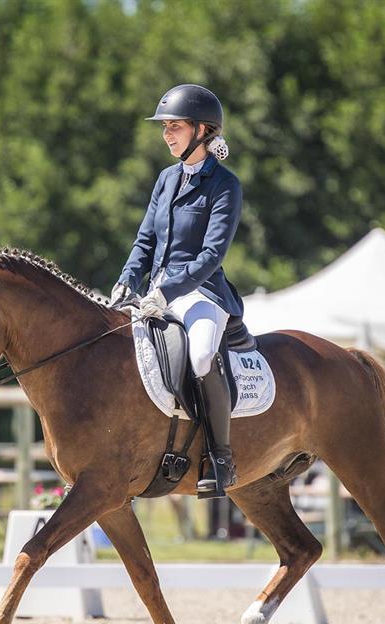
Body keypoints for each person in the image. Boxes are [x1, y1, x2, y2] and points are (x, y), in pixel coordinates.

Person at [110, 84, 245, 497]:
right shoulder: (166, 179)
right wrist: (126, 281)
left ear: (203, 130)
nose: (166, 135)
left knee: (202, 354)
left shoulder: (224, 185)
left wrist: (168, 291)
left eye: (175, 127)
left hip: (201, 294)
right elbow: (145, 241)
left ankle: (220, 458)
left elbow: (211, 255)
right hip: (153, 292)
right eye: (164, 127)